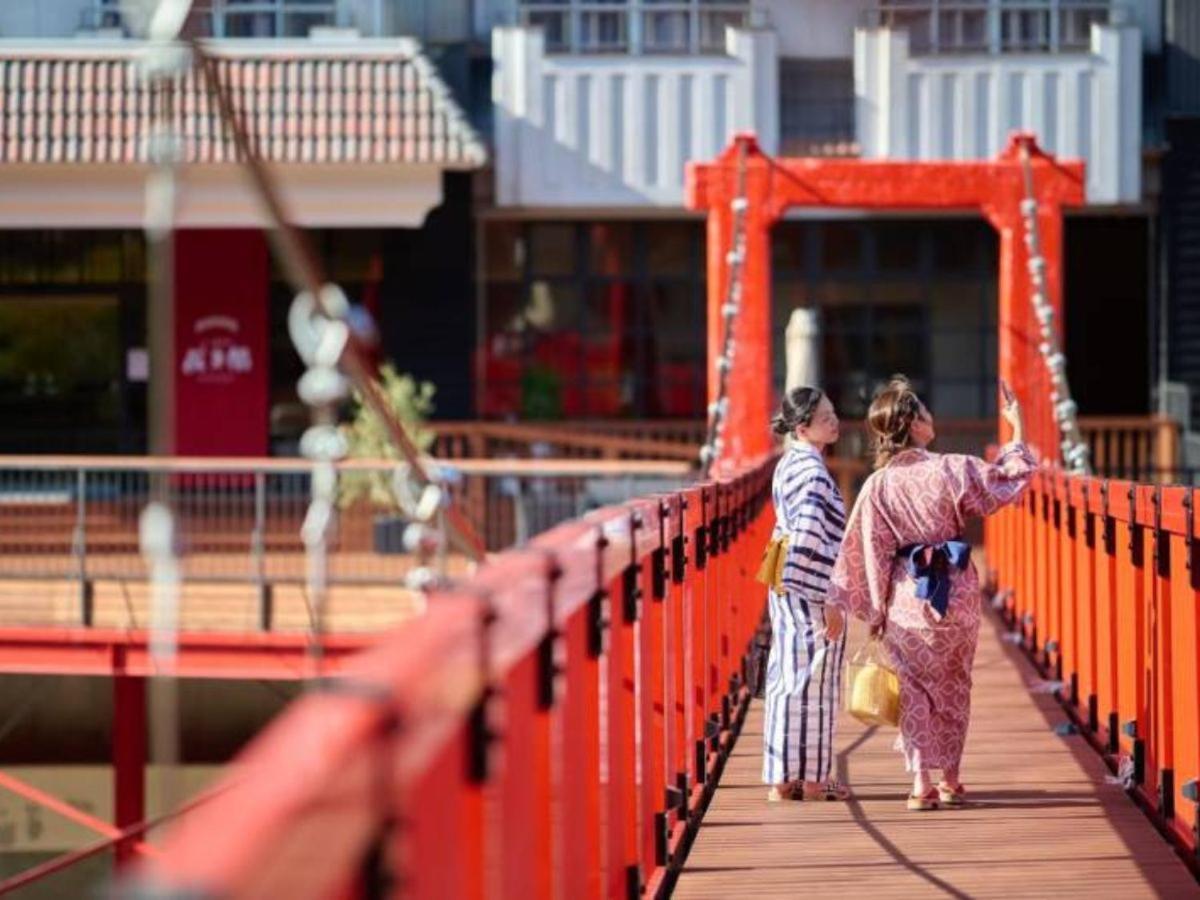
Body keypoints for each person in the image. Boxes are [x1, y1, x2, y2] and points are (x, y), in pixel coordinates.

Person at [830, 375, 1034, 811]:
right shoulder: (952, 467)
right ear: (914, 426)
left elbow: (869, 550)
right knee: (956, 684)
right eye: (924, 413)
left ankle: (920, 781)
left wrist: (876, 611)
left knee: (915, 688)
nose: (931, 418)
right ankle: (952, 779)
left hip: (907, 596)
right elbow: (1006, 482)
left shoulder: (877, 486)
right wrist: (1017, 431)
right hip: (955, 593)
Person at [761, 386, 851, 802]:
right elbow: (810, 537)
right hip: (807, 584)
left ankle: (782, 778)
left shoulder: (788, 464)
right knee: (815, 680)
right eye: (825, 417)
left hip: (784, 578)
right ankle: (814, 781)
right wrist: (830, 597)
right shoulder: (813, 474)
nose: (834, 421)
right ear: (802, 428)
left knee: (787, 677)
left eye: (833, 413)